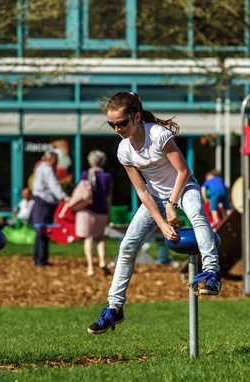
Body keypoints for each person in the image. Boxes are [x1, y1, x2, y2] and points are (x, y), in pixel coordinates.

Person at [87, 91, 221, 335]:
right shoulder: (124, 150)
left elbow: (183, 171)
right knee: (127, 247)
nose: (117, 128)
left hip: (183, 187)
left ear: (136, 117)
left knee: (197, 214)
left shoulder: (158, 135)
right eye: (112, 124)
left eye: (122, 123)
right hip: (154, 198)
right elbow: (142, 191)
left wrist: (171, 204)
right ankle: (114, 308)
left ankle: (212, 272)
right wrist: (161, 223)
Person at [73, 150, 113, 276]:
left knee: (88, 238)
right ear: (102, 162)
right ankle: (102, 261)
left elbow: (81, 191)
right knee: (100, 238)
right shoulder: (107, 177)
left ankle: (90, 267)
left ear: (90, 162)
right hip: (101, 210)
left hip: (87, 210)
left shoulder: (85, 174)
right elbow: (107, 195)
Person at [30, 150, 69, 266]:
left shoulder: (40, 167)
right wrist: (64, 197)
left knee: (40, 229)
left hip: (39, 199)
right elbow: (54, 185)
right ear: (51, 159)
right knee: (44, 229)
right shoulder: (47, 169)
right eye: (56, 160)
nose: (56, 163)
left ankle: (38, 257)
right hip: (44, 201)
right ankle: (41, 259)